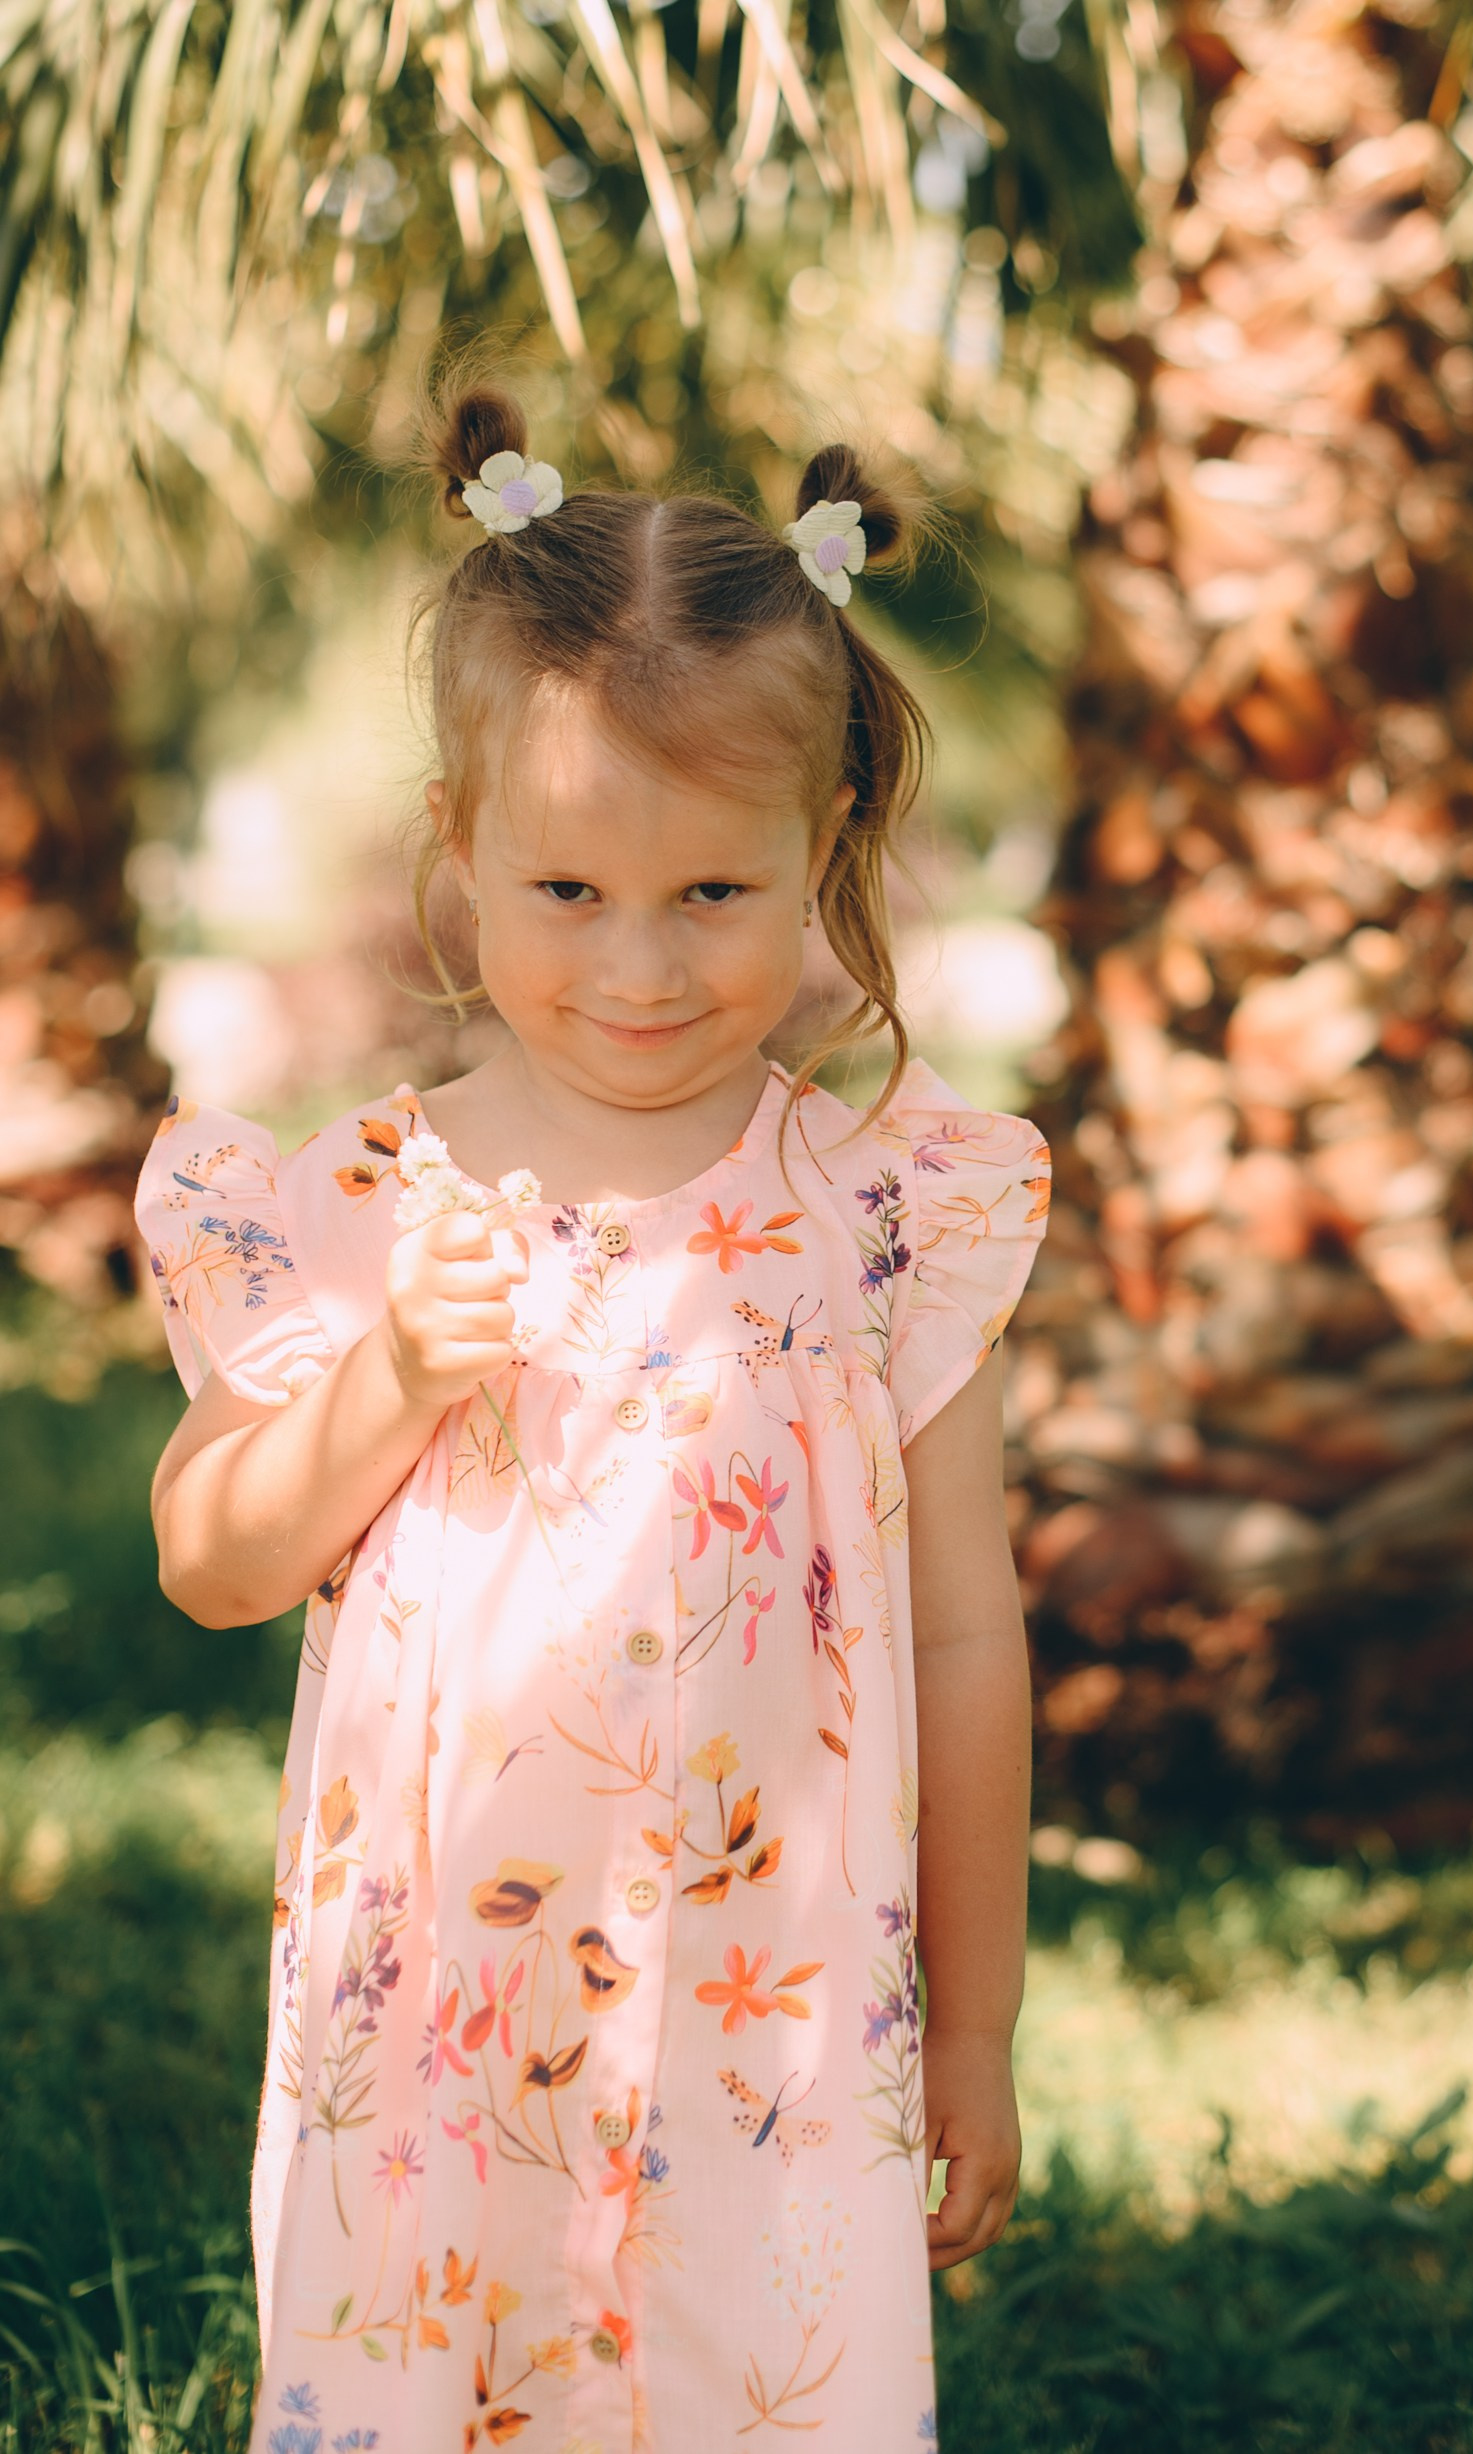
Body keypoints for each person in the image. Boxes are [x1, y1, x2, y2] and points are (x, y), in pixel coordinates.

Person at [133, 380, 1050, 2454]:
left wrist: (975, 2029)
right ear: (463, 852)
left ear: (819, 847)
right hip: (445, 2035)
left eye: (714, 897)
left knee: (755, 2394)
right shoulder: (367, 1201)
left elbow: (967, 1633)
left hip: (780, 2021)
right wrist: (386, 1387)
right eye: (565, 895)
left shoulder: (885, 1215)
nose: (639, 966)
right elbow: (210, 1561)